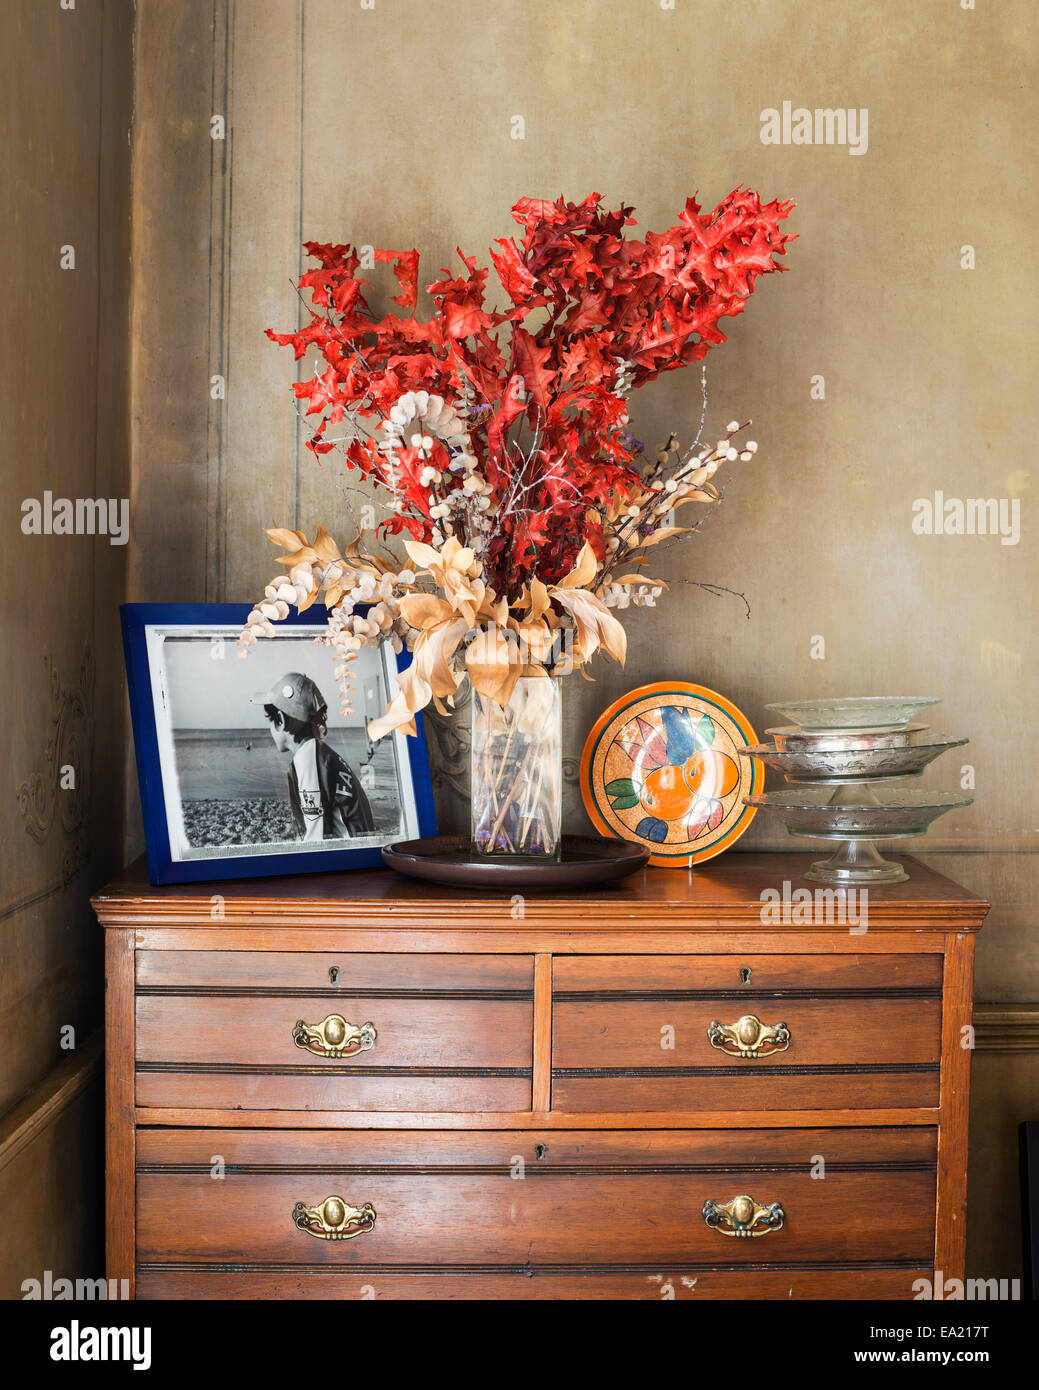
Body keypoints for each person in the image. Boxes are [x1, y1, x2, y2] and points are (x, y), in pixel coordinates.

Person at [259, 672, 374, 841]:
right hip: (359, 848)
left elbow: (317, 839)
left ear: (280, 721)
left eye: (270, 721)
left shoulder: (307, 760)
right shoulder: (319, 753)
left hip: (349, 857)